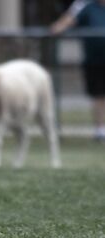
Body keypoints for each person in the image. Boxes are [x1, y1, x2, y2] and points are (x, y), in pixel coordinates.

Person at [51, 0, 105, 141]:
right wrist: (59, 27)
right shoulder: (87, 6)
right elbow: (63, 24)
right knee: (99, 94)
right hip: (95, 60)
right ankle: (101, 130)